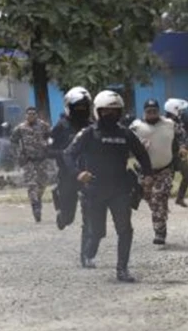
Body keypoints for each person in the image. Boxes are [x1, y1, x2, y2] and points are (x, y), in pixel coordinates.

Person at [65, 90, 153, 282]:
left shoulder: (126, 134)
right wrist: (78, 174)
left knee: (125, 230)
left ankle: (122, 270)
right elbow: (68, 155)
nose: (110, 115)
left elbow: (143, 156)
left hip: (120, 190)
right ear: (98, 111)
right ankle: (87, 254)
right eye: (105, 111)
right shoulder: (88, 133)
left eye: (114, 111)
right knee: (97, 231)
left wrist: (147, 175)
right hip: (94, 190)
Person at [130, 99, 187, 246]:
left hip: (165, 169)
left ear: (159, 111)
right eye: (149, 111)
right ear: (144, 112)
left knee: (157, 197)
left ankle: (160, 233)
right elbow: (127, 144)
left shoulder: (169, 124)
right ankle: (161, 213)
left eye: (154, 111)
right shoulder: (136, 126)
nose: (152, 114)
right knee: (152, 200)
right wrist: (138, 146)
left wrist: (183, 147)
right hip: (145, 172)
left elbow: (182, 137)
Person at [49, 86, 94, 235]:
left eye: (84, 106)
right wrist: (64, 153)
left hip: (88, 172)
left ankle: (88, 242)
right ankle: (62, 211)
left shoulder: (92, 126)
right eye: (78, 107)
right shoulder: (61, 126)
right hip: (67, 173)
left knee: (91, 212)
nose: (81, 110)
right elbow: (47, 150)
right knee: (68, 218)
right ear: (70, 107)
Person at [10, 107, 51, 222]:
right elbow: (13, 141)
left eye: (33, 114)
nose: (31, 116)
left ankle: (38, 198)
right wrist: (18, 155)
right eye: (29, 114)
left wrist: (48, 148)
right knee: (31, 184)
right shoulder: (20, 128)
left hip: (42, 159)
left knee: (43, 183)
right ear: (25, 115)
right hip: (28, 160)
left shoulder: (44, 126)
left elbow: (50, 136)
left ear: (36, 115)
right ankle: (35, 206)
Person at [165, 98, 188, 208]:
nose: (181, 113)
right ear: (174, 110)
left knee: (186, 176)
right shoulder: (169, 123)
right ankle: (166, 204)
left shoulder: (175, 122)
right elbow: (181, 138)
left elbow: (184, 138)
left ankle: (179, 198)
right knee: (169, 180)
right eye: (179, 110)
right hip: (172, 155)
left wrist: (186, 147)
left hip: (178, 155)